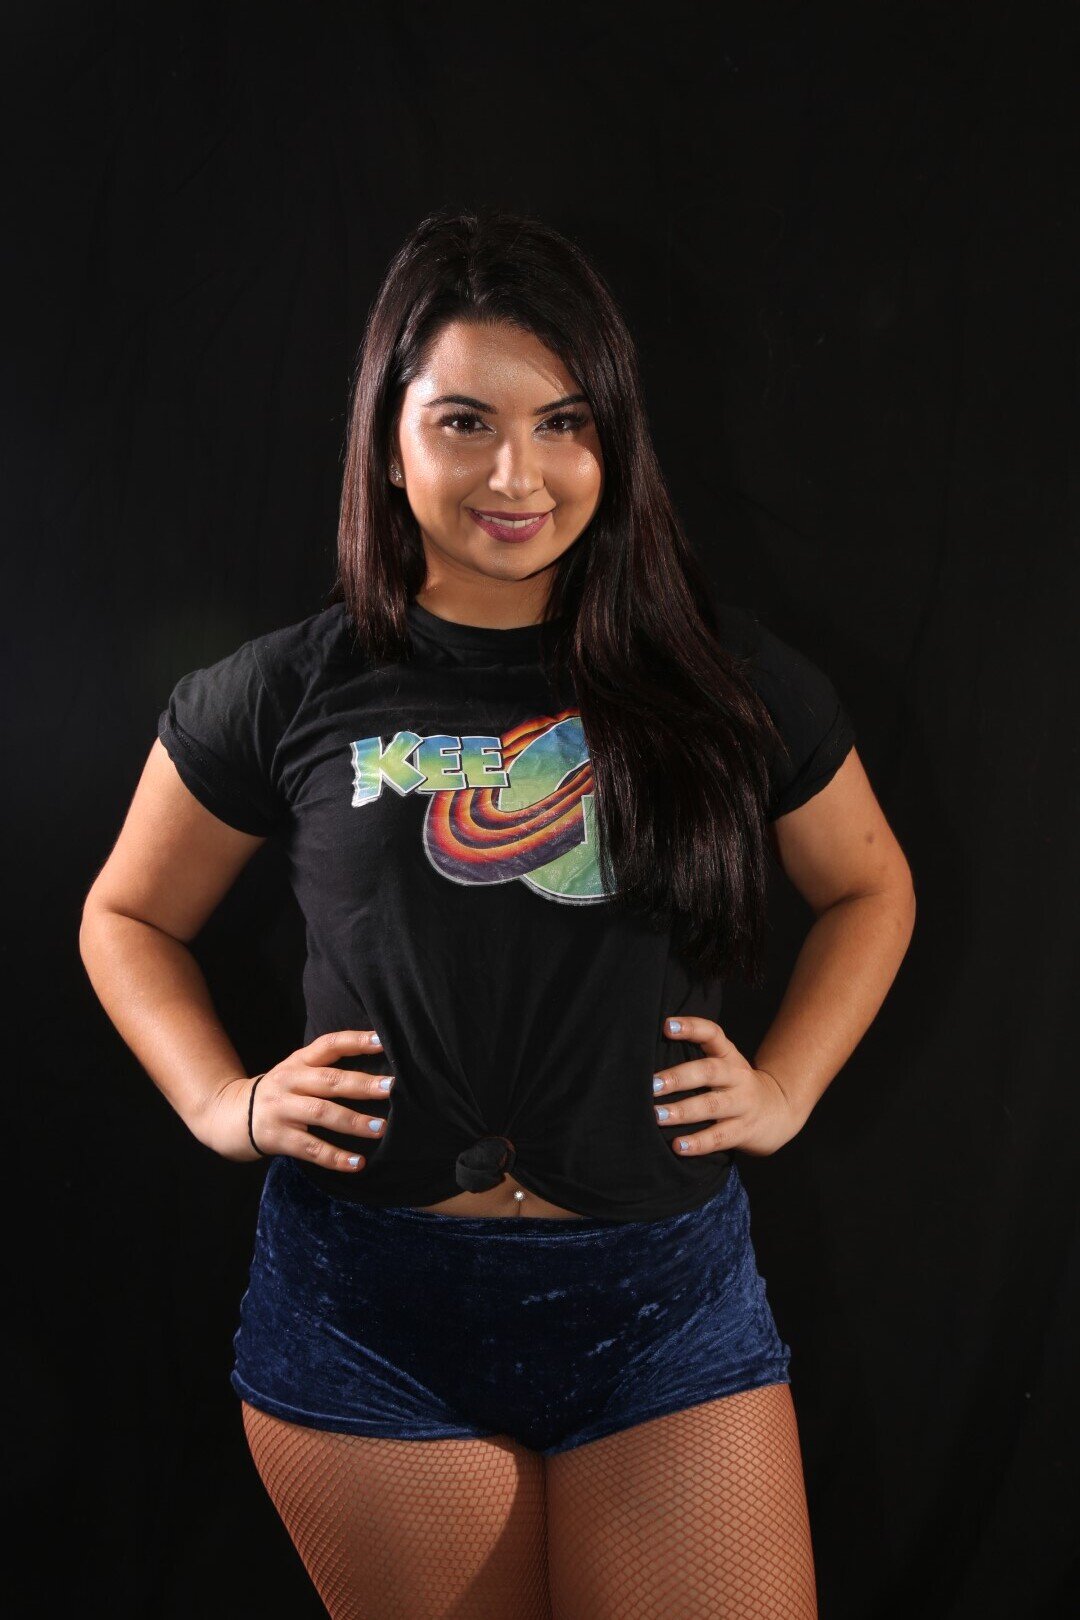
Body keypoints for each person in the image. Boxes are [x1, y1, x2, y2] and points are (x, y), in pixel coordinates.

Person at [80, 205, 916, 1620]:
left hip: (661, 1303)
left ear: (614, 441)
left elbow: (870, 885)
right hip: (367, 1317)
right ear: (387, 440)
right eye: (465, 422)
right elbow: (125, 916)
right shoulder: (286, 689)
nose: (516, 474)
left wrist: (787, 1089)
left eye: (564, 423)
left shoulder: (727, 680)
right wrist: (224, 1103)